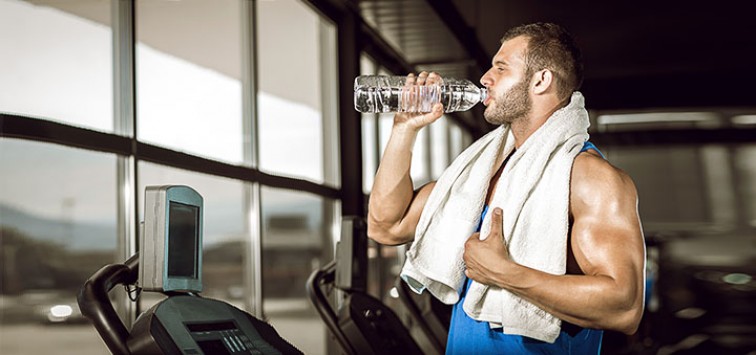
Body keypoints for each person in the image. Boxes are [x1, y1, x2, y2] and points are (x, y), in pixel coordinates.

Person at [367, 22, 646, 353]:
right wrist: (404, 129)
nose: (485, 79)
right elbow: (386, 225)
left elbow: (624, 308)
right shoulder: (480, 173)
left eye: (500, 68)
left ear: (541, 80)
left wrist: (504, 273)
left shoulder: (589, 178)